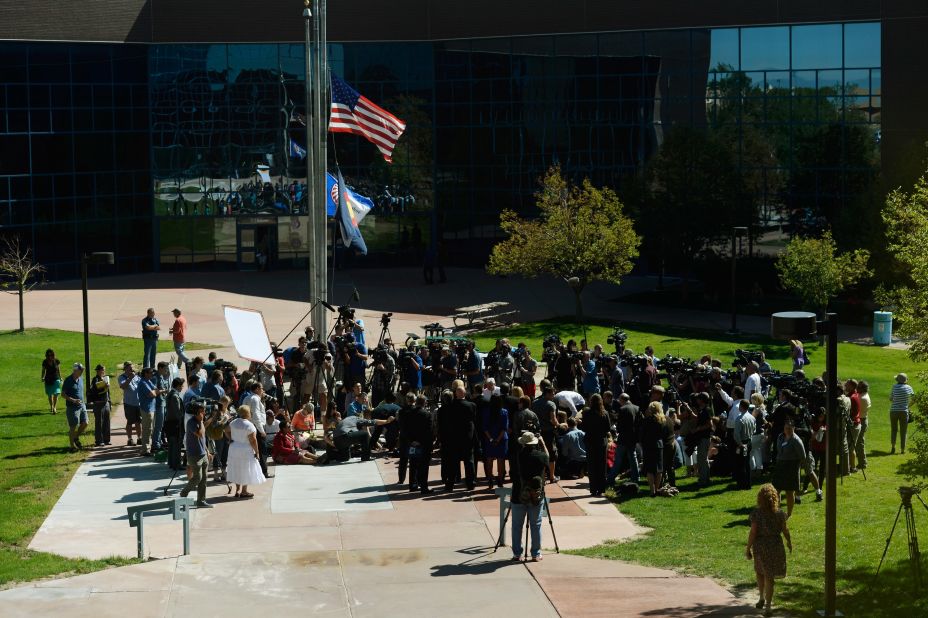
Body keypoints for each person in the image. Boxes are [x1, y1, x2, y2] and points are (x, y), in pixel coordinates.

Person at [746, 483, 792, 616]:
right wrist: (789, 542)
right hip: (776, 546)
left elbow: (753, 532)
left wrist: (748, 548)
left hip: (761, 546)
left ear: (760, 498)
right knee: (770, 577)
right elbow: (785, 530)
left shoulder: (756, 514)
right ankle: (768, 606)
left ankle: (761, 597)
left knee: (760, 572)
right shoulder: (780, 513)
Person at [510, 431, 549, 562]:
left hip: (518, 494)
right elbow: (548, 457)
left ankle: (517, 553)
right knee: (536, 524)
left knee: (516, 525)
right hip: (536, 495)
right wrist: (542, 443)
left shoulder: (516, 456)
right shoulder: (541, 456)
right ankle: (536, 553)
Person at [178, 401, 219, 508]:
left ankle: (201, 501)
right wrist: (201, 421)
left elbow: (202, 439)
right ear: (196, 412)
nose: (204, 413)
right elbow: (200, 434)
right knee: (197, 477)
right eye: (202, 411)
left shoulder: (200, 421)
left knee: (204, 479)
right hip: (194, 456)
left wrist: (207, 451)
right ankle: (184, 493)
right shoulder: (191, 422)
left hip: (203, 454)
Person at [225, 405, 266, 499]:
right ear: (248, 413)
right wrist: (257, 452)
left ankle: (237, 490)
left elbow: (226, 430)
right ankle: (244, 491)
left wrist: (230, 438)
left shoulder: (234, 422)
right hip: (245, 449)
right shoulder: (249, 425)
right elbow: (253, 440)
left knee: (236, 468)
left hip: (234, 447)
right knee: (245, 469)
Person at [400, 395, 434, 493]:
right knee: (424, 466)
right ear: (424, 403)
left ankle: (413, 484)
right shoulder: (427, 414)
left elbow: (405, 429)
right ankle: (423, 486)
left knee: (413, 464)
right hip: (424, 444)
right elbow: (429, 431)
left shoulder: (409, 413)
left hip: (412, 443)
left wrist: (411, 441)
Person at [773, 419, 806, 518]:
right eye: (785, 428)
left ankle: (789, 513)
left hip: (791, 467)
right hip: (780, 465)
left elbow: (803, 456)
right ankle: (777, 511)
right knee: (776, 490)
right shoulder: (780, 437)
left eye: (789, 428)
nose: (787, 430)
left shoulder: (796, 440)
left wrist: (798, 466)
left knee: (789, 491)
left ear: (793, 428)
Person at [583, 393, 611, 496]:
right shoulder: (604, 413)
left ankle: (593, 488)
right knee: (601, 465)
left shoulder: (587, 413)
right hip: (601, 441)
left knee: (592, 465)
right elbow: (608, 428)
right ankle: (601, 488)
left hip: (590, 441)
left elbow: (583, 427)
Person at [481, 394, 509, 489]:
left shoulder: (486, 412)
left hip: (489, 438)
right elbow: (504, 428)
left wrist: (491, 439)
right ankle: (500, 480)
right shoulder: (504, 412)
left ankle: (490, 480)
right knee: (501, 460)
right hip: (501, 439)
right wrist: (498, 439)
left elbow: (485, 428)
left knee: (489, 459)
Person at [611, 393, 640, 486]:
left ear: (621, 399)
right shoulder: (637, 408)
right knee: (633, 458)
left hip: (623, 438)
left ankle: (611, 478)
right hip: (633, 437)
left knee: (618, 459)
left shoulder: (622, 409)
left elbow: (619, 426)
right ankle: (636, 477)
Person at [639, 401, 665, 497]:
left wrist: (642, 443)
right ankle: (657, 489)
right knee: (659, 469)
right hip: (659, 445)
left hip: (648, 445)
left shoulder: (646, 420)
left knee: (650, 468)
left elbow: (642, 435)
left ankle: (652, 490)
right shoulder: (662, 420)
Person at [62, 363, 88, 452]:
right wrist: (73, 400)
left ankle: (76, 437)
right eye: (81, 370)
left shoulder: (81, 379)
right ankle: (72, 446)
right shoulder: (68, 380)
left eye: (82, 370)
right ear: (75, 370)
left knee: (85, 423)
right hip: (72, 407)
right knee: (73, 426)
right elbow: (63, 394)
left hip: (82, 405)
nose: (82, 372)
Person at [732, 400, 756, 490]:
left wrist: (739, 444)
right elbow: (754, 430)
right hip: (749, 442)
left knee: (740, 464)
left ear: (741, 406)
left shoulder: (739, 418)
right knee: (747, 463)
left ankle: (741, 484)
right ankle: (748, 484)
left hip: (741, 443)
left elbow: (736, 434)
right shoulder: (752, 417)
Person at [890, 373, 915, 454]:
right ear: (905, 380)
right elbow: (914, 399)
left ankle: (893, 447)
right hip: (904, 411)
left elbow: (891, 398)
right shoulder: (909, 387)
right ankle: (902, 450)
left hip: (893, 411)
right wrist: (908, 406)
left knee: (894, 430)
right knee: (903, 431)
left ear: (897, 380)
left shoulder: (894, 387)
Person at [164, 377, 186, 470]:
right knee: (176, 445)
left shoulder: (171, 394)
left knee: (172, 444)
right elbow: (178, 412)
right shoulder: (175, 396)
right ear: (178, 386)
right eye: (182, 386)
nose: (182, 388)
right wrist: (182, 420)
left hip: (170, 423)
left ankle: (171, 462)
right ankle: (176, 464)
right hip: (175, 424)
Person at [118, 362, 142, 446]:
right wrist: (129, 378)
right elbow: (123, 386)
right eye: (129, 368)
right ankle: (129, 439)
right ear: (125, 369)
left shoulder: (136, 376)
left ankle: (139, 438)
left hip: (138, 402)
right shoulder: (122, 377)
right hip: (129, 403)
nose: (131, 370)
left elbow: (141, 385)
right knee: (130, 421)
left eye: (132, 368)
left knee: (138, 422)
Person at [88, 364, 111, 447]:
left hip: (106, 402)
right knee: (99, 422)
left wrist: (109, 402)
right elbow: (96, 387)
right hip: (98, 403)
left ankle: (106, 439)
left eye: (104, 370)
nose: (103, 371)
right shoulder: (95, 379)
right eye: (102, 370)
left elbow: (108, 392)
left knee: (107, 422)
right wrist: (105, 384)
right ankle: (99, 440)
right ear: (98, 371)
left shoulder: (105, 378)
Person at [41, 348, 62, 414]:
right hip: (48, 379)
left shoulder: (56, 361)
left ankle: (54, 407)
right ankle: (51, 406)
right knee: (50, 395)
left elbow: (58, 370)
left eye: (51, 355)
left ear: (53, 355)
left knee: (56, 393)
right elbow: (43, 370)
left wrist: (60, 377)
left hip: (56, 379)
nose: (50, 356)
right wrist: (42, 377)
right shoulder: (45, 362)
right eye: (48, 355)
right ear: (46, 355)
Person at [856, 381, 871, 470]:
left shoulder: (862, 398)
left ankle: (862, 463)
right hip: (864, 419)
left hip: (861, 420)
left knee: (859, 443)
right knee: (860, 442)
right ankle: (862, 462)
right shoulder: (864, 395)